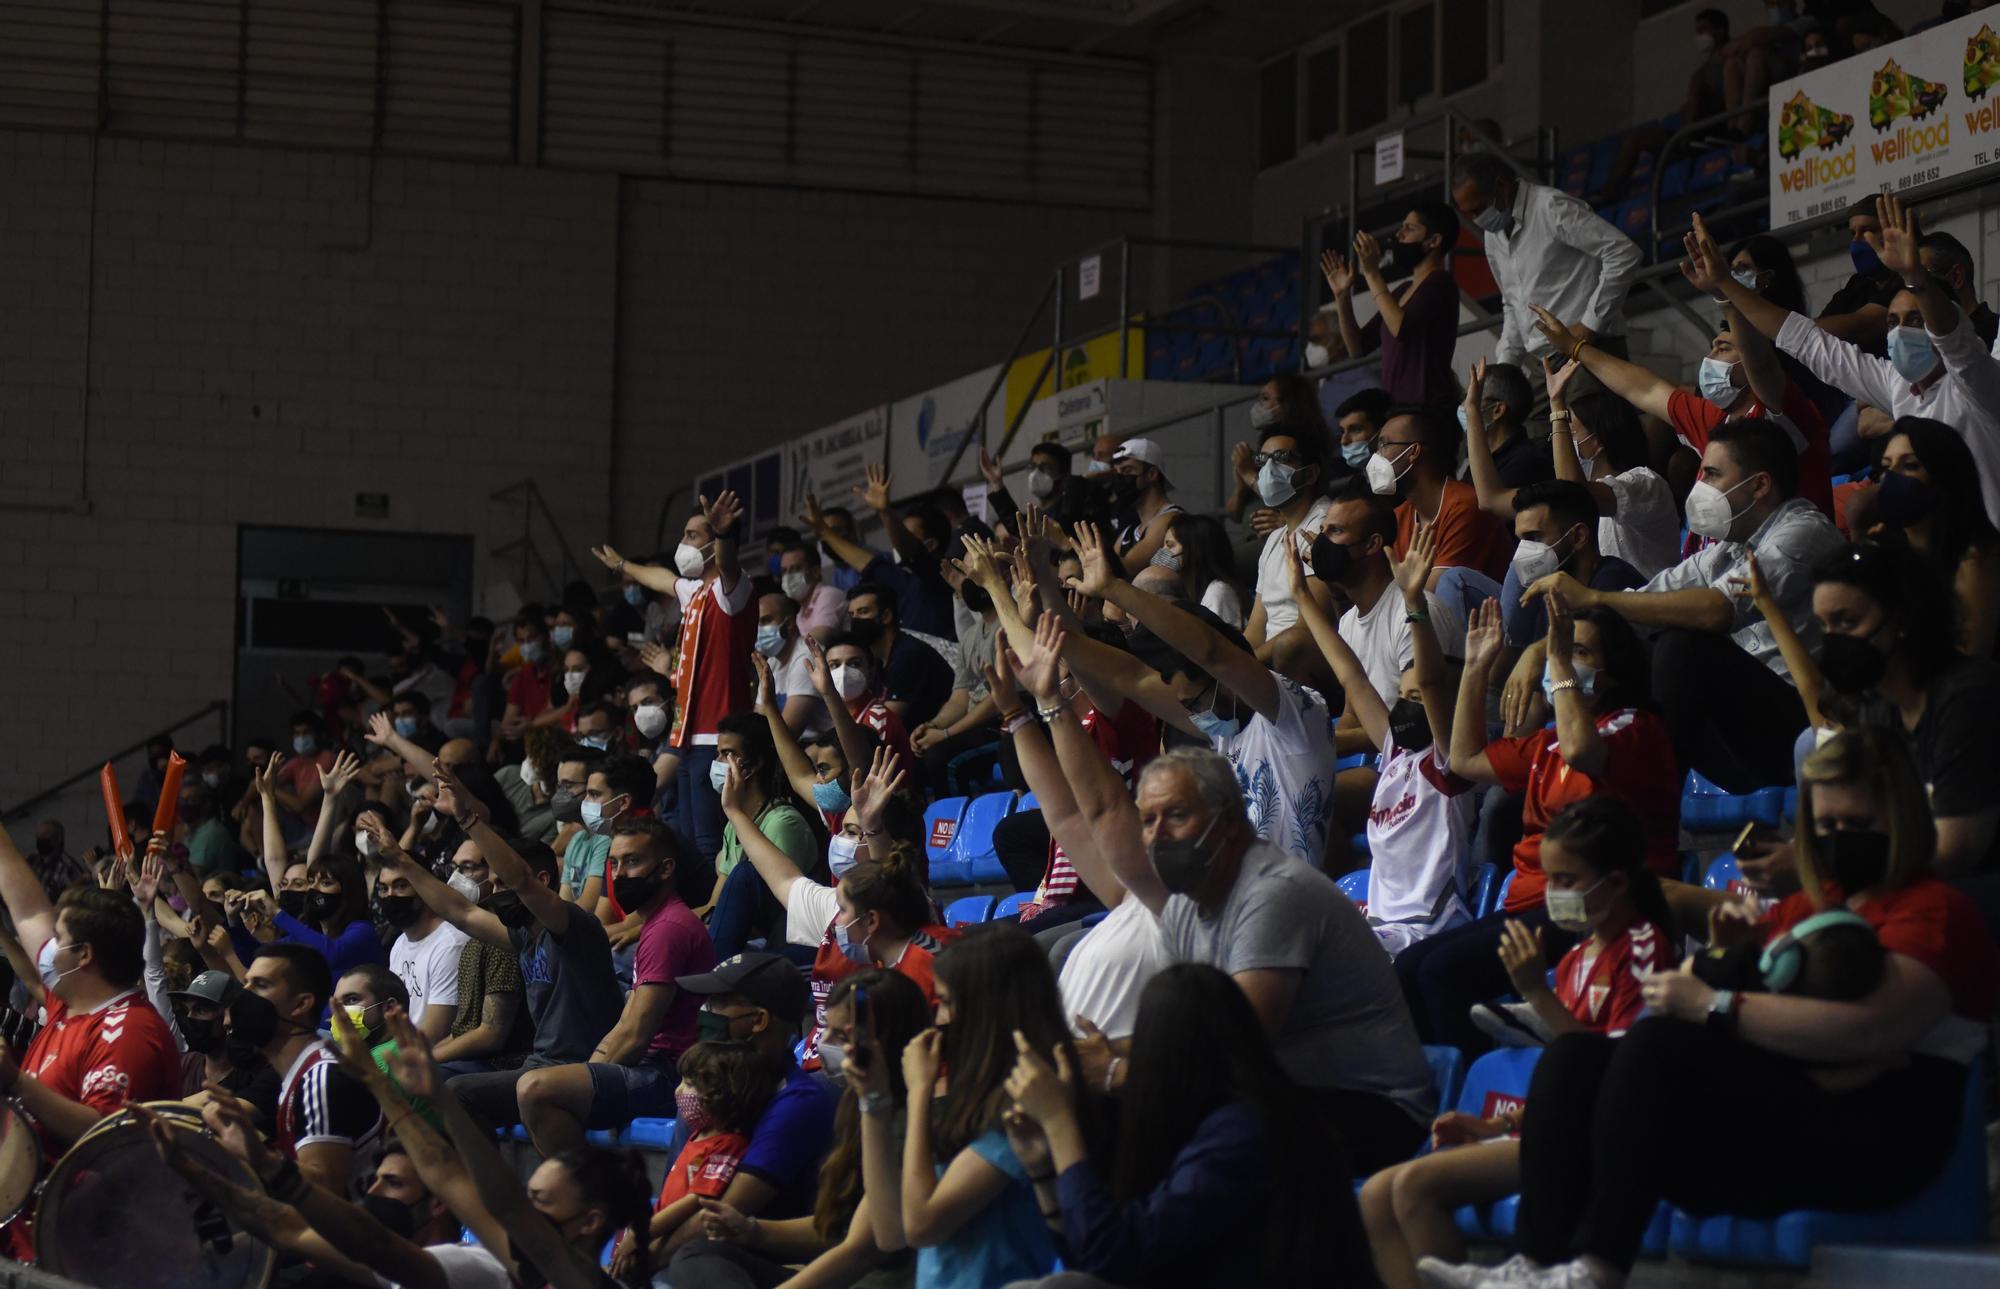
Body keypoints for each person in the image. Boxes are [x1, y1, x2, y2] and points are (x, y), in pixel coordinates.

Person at [1419, 730, 1999, 1289]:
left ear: (1901, 821)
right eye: (1825, 826)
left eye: (1858, 825)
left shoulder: (1936, 912)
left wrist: (1719, 1004)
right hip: (1786, 1119)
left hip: (1875, 1142)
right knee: (1574, 1057)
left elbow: (1868, 1029)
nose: (1840, 839)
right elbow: (1695, 977)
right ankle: (1539, 1267)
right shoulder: (1807, 908)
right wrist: (1728, 957)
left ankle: (1597, 1271)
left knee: (1660, 1046)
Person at [1363, 796, 1676, 1289]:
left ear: (1616, 883)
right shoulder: (1575, 959)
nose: (1552, 894)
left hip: (1592, 1139)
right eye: (1549, 879)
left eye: (1566, 881)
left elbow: (1607, 1070)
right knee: (1374, 1196)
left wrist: (1533, 991)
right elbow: (1560, 1084)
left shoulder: (1643, 947)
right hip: (1551, 1128)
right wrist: (1492, 1125)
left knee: (1413, 1188)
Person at [1096, 746, 1435, 1174]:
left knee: (1194, 1131)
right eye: (1148, 820)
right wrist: (1103, 1051)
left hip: (1372, 1108)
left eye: (1177, 815)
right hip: (1284, 1095)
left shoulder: (1273, 895)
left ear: (1231, 823)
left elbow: (1238, 1048)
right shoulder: (1183, 906)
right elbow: (1184, 1036)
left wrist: (1118, 1073)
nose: (1158, 834)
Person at [1397, 593, 1678, 1055]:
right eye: (1560, 647)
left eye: (1578, 651)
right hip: (1528, 905)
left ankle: (1481, 1089)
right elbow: (1465, 759)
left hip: (1592, 907)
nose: (1562, 659)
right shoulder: (1545, 743)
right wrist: (1475, 667)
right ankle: (1443, 1096)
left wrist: (1555, 662)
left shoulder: (1636, 728)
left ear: (1614, 673)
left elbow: (1581, 752)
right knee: (1408, 967)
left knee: (1441, 971)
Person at [1004, 962, 1382, 1289]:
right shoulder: (1206, 1125)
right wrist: (1042, 1170)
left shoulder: (1244, 1132)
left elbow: (1112, 1256)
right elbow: (1091, 1256)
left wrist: (1059, 1123)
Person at [1526, 419, 1844, 791]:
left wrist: (1594, 597)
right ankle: (1596, 778)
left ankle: (1652, 798)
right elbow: (1653, 597)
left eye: (1711, 475)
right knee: (1629, 642)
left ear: (1759, 485)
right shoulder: (1728, 547)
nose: (1700, 487)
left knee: (1681, 645)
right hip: (1739, 728)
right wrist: (1542, 650)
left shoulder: (1801, 534)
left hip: (1801, 725)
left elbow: (1717, 610)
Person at [1716, 195, 2000, 526]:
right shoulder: (1898, 384)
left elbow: (1956, 342)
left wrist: (1914, 276)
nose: (1899, 333)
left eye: (1914, 320)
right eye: (1892, 323)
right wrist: (1725, 286)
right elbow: (1809, 342)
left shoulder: (1978, 383)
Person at [1064, 527, 1337, 866]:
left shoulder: (1292, 716)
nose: (1194, 715)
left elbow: (1212, 652)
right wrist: (1029, 620)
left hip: (1285, 904)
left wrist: (1114, 588)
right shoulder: (1224, 733)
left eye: (1194, 702)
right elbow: (1130, 677)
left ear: (1222, 680)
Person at [381, 768, 624, 1136]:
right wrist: (401, 861)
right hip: (538, 1065)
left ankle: (499, 1186)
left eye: (500, 882)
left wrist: (467, 819)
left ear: (542, 881)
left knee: (456, 1091)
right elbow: (460, 912)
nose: (494, 892)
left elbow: (519, 879)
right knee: (430, 1086)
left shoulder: (574, 927)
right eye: (492, 883)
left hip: (576, 1069)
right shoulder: (524, 936)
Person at [667, 969, 930, 1289]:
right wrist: (750, 1229)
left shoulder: (901, 1121)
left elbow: (859, 1251)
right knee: (699, 1254)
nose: (823, 1045)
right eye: (825, 1030)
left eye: (842, 1036)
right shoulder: (855, 1106)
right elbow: (833, 1230)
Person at [1289, 524, 1475, 956]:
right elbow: (1349, 672)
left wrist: (1413, 604)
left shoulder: (1451, 760)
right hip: (1380, 922)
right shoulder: (1395, 751)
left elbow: (1430, 679)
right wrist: (1301, 596)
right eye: (1403, 696)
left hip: (1428, 927)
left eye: (1417, 698)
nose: (1407, 705)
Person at [875, 926, 1075, 1289]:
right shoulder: (978, 1096)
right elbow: (890, 1235)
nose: (940, 1020)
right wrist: (872, 1099)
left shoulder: (1022, 1107)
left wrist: (919, 1091)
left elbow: (921, 1225)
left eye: (948, 1003)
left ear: (986, 1010)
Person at [1532, 284, 1834, 518]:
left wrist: (1724, 294)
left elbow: (1765, 367)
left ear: (1754, 359)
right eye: (1712, 348)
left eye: (1724, 348)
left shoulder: (1785, 412)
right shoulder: (1715, 421)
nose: (1710, 357)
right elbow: (1644, 388)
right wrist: (1575, 347)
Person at [1788, 542, 2000, 875]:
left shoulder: (1968, 699)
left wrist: (1823, 864)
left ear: (1901, 617)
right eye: (1825, 626)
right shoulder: (1875, 702)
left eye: (1847, 622)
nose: (1834, 641)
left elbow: (1953, 854)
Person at [516, 817, 715, 1156]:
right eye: (613, 863)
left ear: (666, 869)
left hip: (671, 1071)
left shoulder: (669, 928)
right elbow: (623, 1026)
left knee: (535, 1088)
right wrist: (588, 1073)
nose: (619, 874)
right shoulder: (656, 924)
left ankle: (586, 1192)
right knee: (540, 1086)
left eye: (632, 862)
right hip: (650, 1063)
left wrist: (589, 1082)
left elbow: (636, 1035)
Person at [590, 489, 754, 875]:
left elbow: (729, 566)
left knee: (710, 843)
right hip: (685, 738)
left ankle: (713, 919)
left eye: (694, 535)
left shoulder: (732, 590)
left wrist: (725, 534)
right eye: (683, 535)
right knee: (691, 840)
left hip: (716, 741)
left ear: (715, 545)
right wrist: (624, 565)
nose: (684, 543)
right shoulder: (694, 592)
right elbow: (663, 579)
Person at [0, 829, 179, 1179]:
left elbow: (104, 1131)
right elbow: (28, 912)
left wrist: (16, 1081)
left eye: (60, 938)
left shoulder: (131, 1031)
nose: (50, 946)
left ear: (84, 955)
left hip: (93, 1223)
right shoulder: (67, 1001)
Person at [672, 953, 838, 1244]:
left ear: (759, 1020)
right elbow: (673, 1198)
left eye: (718, 1003)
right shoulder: (704, 1095)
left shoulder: (797, 1101)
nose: (705, 1011)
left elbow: (722, 1215)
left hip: (751, 1257)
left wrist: (647, 1259)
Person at [1450, 151, 1641, 371]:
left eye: (1478, 209)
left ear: (1501, 186)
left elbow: (1622, 252)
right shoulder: (1493, 235)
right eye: (1468, 214)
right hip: (1545, 361)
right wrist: (1507, 366)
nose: (1476, 220)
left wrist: (1590, 324)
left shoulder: (1550, 207)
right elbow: (1513, 302)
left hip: (1587, 347)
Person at [613, 1039, 777, 1280]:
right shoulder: (698, 1135)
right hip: (659, 1232)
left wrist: (641, 1235)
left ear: (721, 1095)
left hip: (681, 1248)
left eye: (689, 1084)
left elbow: (696, 1200)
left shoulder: (729, 1144)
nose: (678, 1090)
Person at [241, 942, 387, 1195]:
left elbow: (324, 1191)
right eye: (246, 983)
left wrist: (255, 1151)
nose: (245, 994)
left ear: (301, 1005)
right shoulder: (300, 1072)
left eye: (260, 985)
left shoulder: (320, 1077)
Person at [1847, 415, 2000, 656]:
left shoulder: (1976, 556)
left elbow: (1969, 656)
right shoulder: (1889, 543)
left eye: (1910, 466)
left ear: (1944, 476)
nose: (1893, 478)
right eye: (1887, 467)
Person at [1322, 202, 1465, 406]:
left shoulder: (1440, 282)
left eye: (1409, 228)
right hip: (1396, 409)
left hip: (1427, 408)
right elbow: (1357, 348)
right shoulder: (1403, 289)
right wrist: (1342, 296)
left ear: (1433, 241)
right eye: (1402, 227)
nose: (1399, 235)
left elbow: (1401, 328)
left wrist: (1372, 273)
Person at [706, 712, 824, 958]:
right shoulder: (734, 822)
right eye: (718, 754)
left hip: (784, 943)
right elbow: (716, 906)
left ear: (755, 763)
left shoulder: (783, 823)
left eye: (728, 754)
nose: (718, 762)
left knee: (744, 874)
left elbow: (778, 909)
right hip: (744, 937)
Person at [1544, 375, 1681, 581]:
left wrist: (1557, 408)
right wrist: (1474, 409)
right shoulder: (1596, 489)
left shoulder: (1646, 484)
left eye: (1568, 434)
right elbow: (1491, 499)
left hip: (1644, 605)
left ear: (1598, 441)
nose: (1560, 445)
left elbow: (1573, 495)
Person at [804, 465, 957, 640]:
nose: (896, 539)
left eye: (907, 534)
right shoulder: (905, 580)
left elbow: (912, 553)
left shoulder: (945, 573)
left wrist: (885, 513)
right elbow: (867, 563)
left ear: (930, 545)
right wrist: (825, 533)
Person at [1494, 480, 1642, 654]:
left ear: (1578, 536)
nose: (1523, 551)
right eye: (1521, 540)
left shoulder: (1615, 583)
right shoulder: (1547, 587)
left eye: (1533, 537)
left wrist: (1536, 653)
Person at [1374, 406, 1514, 586]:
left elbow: (1435, 595)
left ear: (1413, 451)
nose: (1376, 456)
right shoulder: (1398, 517)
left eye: (1384, 445)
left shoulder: (1465, 505)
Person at [1243, 421, 1336, 646]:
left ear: (1311, 473)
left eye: (1282, 458)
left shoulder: (1324, 527)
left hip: (1301, 660)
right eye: (1262, 460)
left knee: (1289, 646)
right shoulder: (1275, 539)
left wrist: (1250, 665)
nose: (1269, 469)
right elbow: (1255, 629)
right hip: (1269, 664)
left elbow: (1307, 632)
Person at [166, 968, 281, 1132]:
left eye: (201, 1010)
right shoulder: (184, 1064)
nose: (190, 1018)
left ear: (230, 1016)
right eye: (187, 1010)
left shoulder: (257, 1071)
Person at [380, 859, 470, 1043]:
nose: (390, 895)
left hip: (428, 1054)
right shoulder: (400, 943)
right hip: (400, 1043)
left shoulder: (450, 944)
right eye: (384, 888)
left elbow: (434, 1032)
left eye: (401, 886)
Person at [845, 581, 954, 730]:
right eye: (852, 615)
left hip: (936, 741)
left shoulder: (908, 655)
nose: (855, 620)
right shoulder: (877, 660)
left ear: (886, 616)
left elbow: (885, 724)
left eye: (863, 612)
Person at [1459, 359, 1552, 492]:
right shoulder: (1485, 457)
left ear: (1497, 410)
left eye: (1472, 398)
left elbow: (1483, 504)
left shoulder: (1526, 465)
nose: (1464, 406)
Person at [753, 588, 824, 736]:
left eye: (766, 621)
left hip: (817, 747)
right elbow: (757, 722)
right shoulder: (771, 662)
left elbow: (789, 732)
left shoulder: (807, 657)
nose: (760, 629)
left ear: (790, 623)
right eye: (757, 623)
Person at [1160, 512, 1246, 631]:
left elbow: (1220, 644)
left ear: (1194, 549)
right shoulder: (1185, 591)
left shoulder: (1218, 592)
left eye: (1170, 545)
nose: (1162, 552)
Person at [1106, 436, 1181, 569]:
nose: (1119, 478)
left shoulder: (1170, 519)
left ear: (1152, 474)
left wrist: (1066, 543)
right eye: (1116, 472)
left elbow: (1127, 567)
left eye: (1127, 470)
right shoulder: (1130, 532)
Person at [778, 539, 850, 641]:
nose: (788, 576)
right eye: (784, 571)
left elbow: (819, 638)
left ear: (815, 572)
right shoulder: (800, 615)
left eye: (796, 569)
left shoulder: (829, 595)